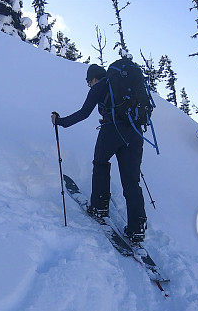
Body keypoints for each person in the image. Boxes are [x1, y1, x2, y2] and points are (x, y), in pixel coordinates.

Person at [52, 63, 147, 243]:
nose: (90, 85)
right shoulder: (125, 87)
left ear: (94, 78)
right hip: (135, 133)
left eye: (89, 82)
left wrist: (60, 122)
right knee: (131, 182)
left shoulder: (101, 85)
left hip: (111, 131)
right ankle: (137, 228)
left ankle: (99, 207)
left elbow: (84, 113)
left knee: (101, 163)